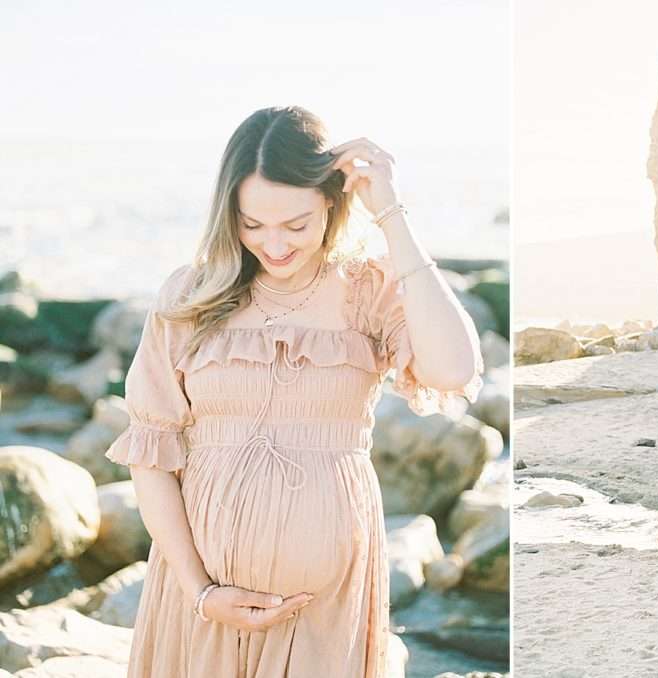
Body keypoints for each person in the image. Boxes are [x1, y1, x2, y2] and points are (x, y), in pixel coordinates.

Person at [104, 105, 485, 677]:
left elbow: (455, 369)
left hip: (325, 605)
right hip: (200, 605)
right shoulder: (191, 296)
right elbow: (151, 458)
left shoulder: (367, 290)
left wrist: (392, 215)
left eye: (296, 224)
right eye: (251, 224)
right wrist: (201, 591)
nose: (274, 245)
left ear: (332, 202)